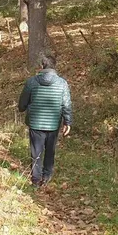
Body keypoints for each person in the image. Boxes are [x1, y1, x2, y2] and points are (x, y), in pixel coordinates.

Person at [18, 54, 72, 187]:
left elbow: (22, 103)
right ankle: (46, 177)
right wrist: (67, 122)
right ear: (55, 66)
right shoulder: (62, 83)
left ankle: (36, 180)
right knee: (50, 150)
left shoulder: (31, 82)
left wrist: (22, 108)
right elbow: (66, 104)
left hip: (35, 123)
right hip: (53, 124)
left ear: (42, 66)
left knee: (36, 152)